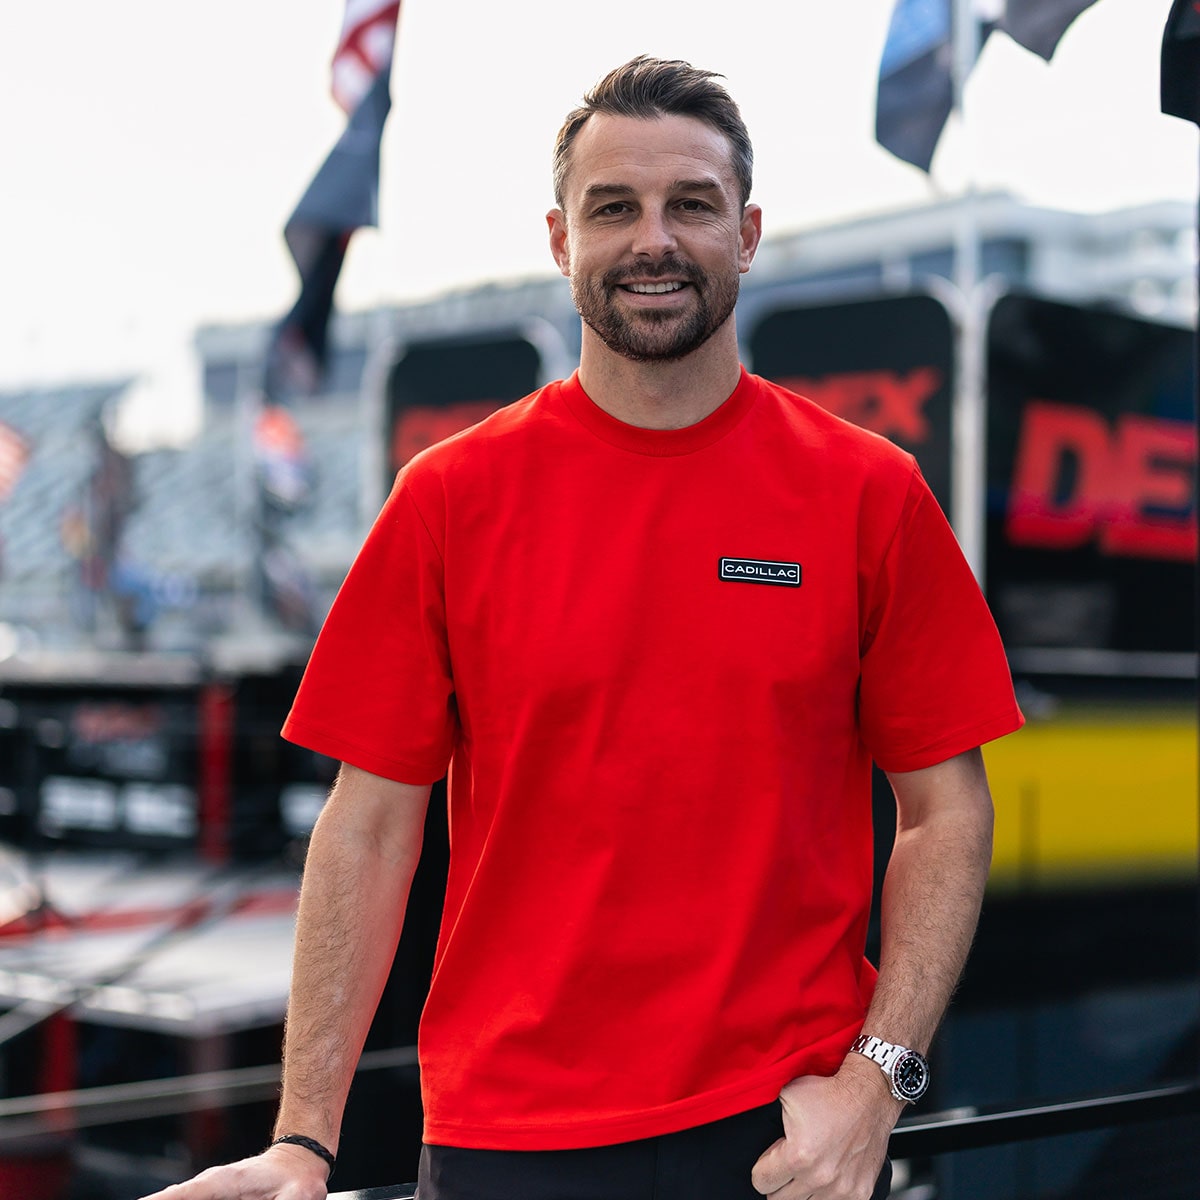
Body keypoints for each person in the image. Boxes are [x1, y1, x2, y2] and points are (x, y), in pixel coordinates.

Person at [141, 55, 1023, 1200]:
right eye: (614, 209)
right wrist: (304, 1141)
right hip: (505, 1145)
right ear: (562, 240)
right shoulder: (447, 499)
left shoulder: (869, 494)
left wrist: (878, 1079)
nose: (654, 240)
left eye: (692, 204)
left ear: (747, 234)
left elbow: (947, 813)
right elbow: (366, 832)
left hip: (782, 1143)